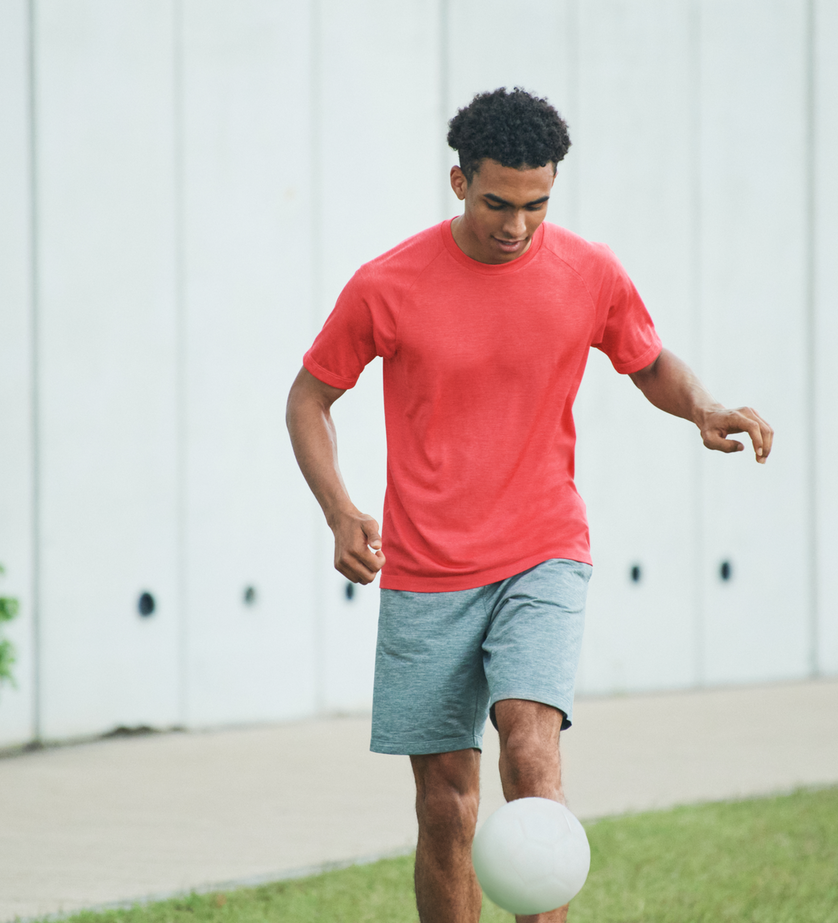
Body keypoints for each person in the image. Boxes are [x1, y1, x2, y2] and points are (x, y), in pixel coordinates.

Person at [286, 87, 773, 923]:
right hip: (426, 568)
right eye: (497, 203)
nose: (516, 225)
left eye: (537, 205)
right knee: (446, 804)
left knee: (530, 749)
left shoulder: (588, 271)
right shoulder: (388, 285)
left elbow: (646, 360)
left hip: (543, 548)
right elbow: (309, 399)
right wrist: (339, 509)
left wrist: (703, 406)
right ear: (458, 181)